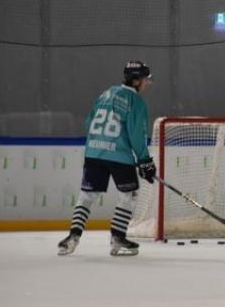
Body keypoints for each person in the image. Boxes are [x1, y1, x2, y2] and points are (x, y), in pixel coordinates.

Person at [57, 60, 156, 257]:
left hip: (93, 152)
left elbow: (89, 121)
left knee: (86, 196)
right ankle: (118, 236)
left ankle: (73, 236)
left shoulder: (105, 94)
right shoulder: (136, 102)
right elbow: (137, 135)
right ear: (136, 81)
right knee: (130, 195)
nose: (148, 83)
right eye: (146, 79)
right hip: (119, 156)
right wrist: (145, 160)